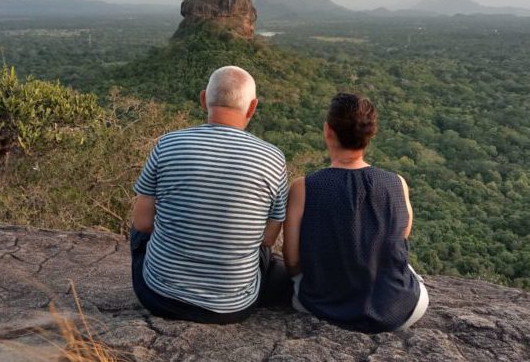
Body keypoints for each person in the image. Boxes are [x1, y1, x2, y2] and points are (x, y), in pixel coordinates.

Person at [131, 65, 289, 323]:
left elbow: (143, 223)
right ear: (252, 108)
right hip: (233, 308)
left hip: (158, 297)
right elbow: (268, 238)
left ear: (204, 99)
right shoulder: (272, 158)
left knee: (137, 231)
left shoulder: (167, 144)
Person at [283, 93, 428, 333]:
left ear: (328, 131)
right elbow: (400, 236)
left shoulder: (304, 187)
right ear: (371, 134)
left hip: (324, 307)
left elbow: (293, 261)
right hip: (400, 310)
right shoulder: (397, 183)